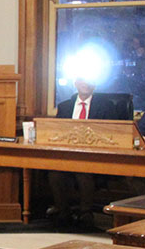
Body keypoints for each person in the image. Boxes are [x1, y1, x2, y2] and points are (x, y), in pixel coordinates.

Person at [47, 78, 116, 221]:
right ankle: (63, 212)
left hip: (95, 157)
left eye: (89, 80)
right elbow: (58, 134)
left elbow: (112, 135)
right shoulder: (64, 107)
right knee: (54, 173)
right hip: (68, 156)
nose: (86, 83)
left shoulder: (107, 107)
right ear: (76, 84)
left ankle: (85, 214)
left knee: (83, 171)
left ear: (94, 84)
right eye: (82, 80)